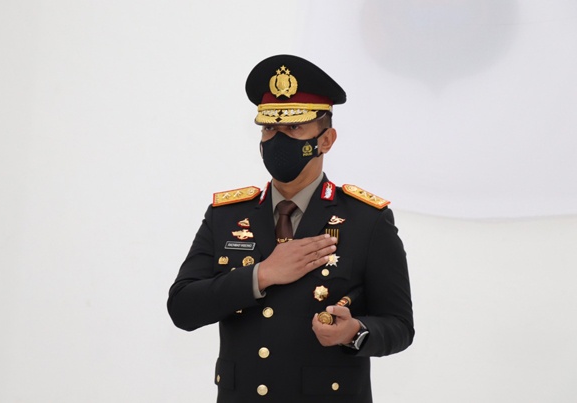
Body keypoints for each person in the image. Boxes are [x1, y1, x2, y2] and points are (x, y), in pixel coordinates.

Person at [167, 54, 414, 402]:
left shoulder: (366, 220)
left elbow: (399, 325)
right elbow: (182, 308)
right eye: (270, 129)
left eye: (294, 128)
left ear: (326, 140)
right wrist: (262, 274)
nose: (278, 140)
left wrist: (354, 332)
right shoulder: (226, 215)